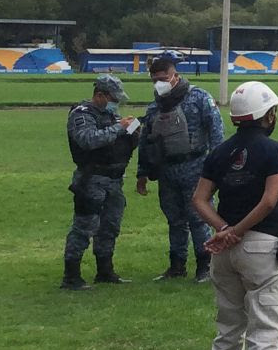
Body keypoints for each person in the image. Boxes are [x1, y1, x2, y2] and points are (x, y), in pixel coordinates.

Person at [191, 81, 278, 350]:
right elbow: (268, 202)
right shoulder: (274, 151)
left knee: (229, 327)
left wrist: (224, 229)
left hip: (225, 252)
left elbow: (199, 200)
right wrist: (236, 231)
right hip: (261, 247)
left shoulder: (220, 152)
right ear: (267, 115)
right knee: (265, 328)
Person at [136, 55, 225, 282]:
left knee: (199, 218)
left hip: (196, 168)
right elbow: (146, 141)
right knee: (174, 219)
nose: (159, 84)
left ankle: (205, 265)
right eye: (154, 80)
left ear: (175, 76)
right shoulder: (155, 107)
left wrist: (217, 168)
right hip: (167, 170)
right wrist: (142, 173)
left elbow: (216, 132)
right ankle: (176, 266)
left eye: (163, 78)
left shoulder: (199, 98)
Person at [61, 74, 142, 290]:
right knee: (84, 227)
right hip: (91, 180)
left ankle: (105, 271)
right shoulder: (82, 114)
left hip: (114, 180)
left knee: (110, 227)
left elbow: (121, 143)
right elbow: (88, 139)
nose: (116, 104)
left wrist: (134, 132)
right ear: (100, 95)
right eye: (113, 99)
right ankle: (71, 276)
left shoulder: (111, 116)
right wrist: (119, 128)